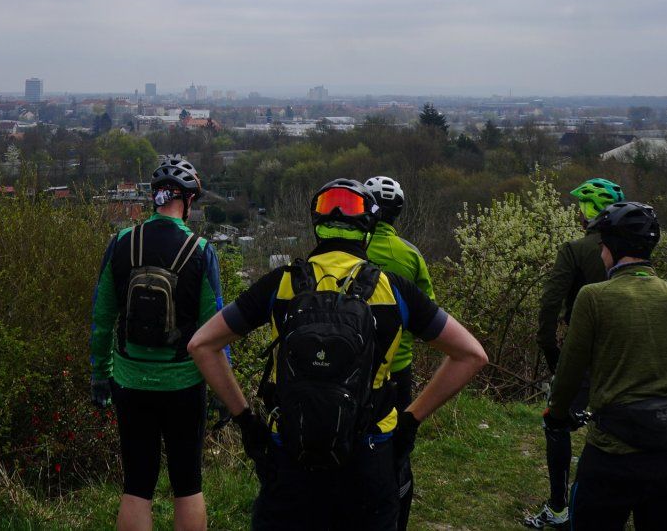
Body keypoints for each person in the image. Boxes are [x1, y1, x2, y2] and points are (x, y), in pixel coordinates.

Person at [187, 178, 488, 531]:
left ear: (317, 226)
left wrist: (246, 422)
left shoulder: (281, 284)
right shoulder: (393, 290)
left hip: (291, 455)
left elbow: (201, 345)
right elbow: (471, 355)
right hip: (370, 456)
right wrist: (410, 420)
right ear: (367, 230)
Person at [546, 201, 667, 531]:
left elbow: (569, 372)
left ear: (612, 249)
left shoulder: (593, 297)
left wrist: (558, 413)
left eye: (603, 246)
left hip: (611, 458)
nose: (601, 253)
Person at [89, 156, 224, 531]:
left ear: (155, 197)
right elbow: (216, 329)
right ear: (189, 200)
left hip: (130, 381)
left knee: (136, 486)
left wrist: (100, 374)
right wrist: (221, 390)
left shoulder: (120, 243)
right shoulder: (200, 251)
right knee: (188, 484)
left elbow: (101, 319)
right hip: (184, 384)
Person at [524, 177, 623, 528]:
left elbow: (550, 304)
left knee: (556, 422)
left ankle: (558, 507)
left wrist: (552, 355)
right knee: (616, 425)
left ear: (588, 212)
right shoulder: (631, 252)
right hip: (624, 354)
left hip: (582, 354)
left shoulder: (575, 250)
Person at [361, 175, 434, 530]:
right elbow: (428, 314)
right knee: (398, 453)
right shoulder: (411, 255)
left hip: (351, 372)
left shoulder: (352, 249)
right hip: (398, 369)